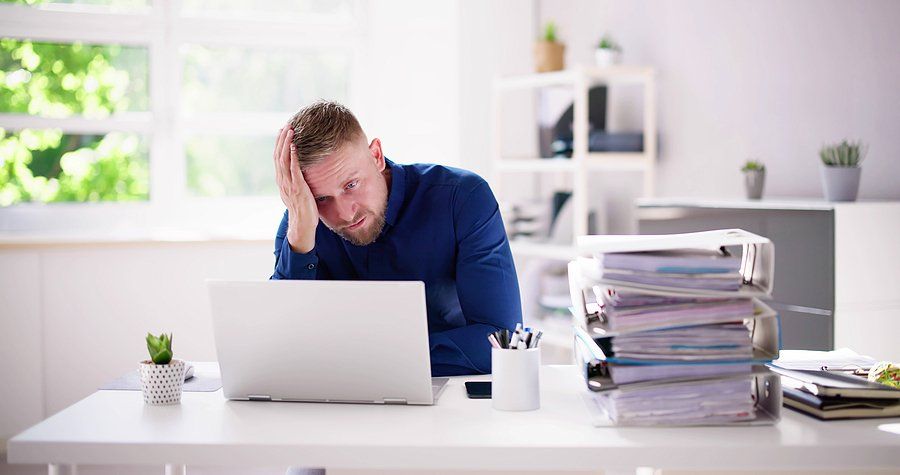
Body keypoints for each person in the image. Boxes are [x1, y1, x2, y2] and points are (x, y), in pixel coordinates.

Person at [270, 100, 522, 377]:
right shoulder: (302, 222)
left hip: (448, 391)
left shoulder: (461, 198)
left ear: (376, 155)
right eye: (321, 198)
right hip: (342, 397)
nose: (345, 213)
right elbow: (284, 345)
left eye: (351, 185)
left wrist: (372, 359)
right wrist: (300, 240)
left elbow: (501, 341)